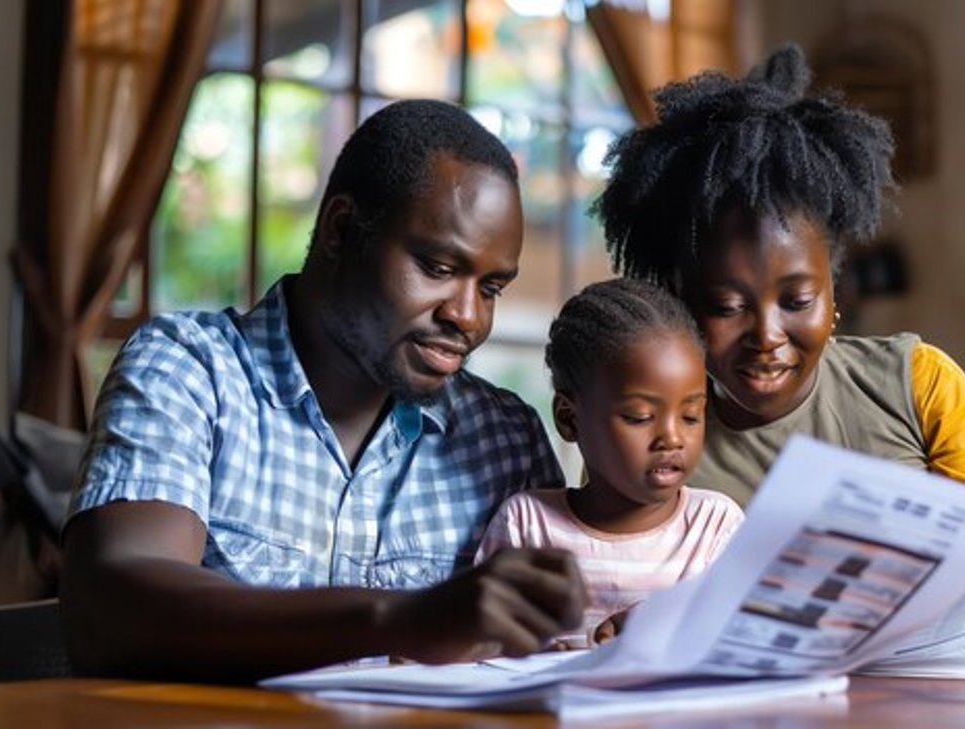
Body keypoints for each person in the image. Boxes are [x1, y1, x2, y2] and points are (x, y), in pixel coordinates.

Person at [593, 45, 965, 649]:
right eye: (727, 306)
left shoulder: (916, 384)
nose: (767, 334)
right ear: (682, 305)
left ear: (833, 295)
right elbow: (609, 606)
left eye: (796, 301)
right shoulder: (647, 431)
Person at [60, 100, 586, 683]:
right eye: (437, 267)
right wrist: (401, 617)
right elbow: (113, 611)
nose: (468, 317)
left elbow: (546, 657)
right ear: (341, 229)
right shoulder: (188, 372)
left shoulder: (505, 439)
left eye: (491, 288)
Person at [475, 278, 744, 649]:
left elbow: (743, 645)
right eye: (638, 417)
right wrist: (541, 658)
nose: (672, 437)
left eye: (691, 416)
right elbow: (482, 643)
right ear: (569, 419)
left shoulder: (716, 528)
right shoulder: (527, 524)